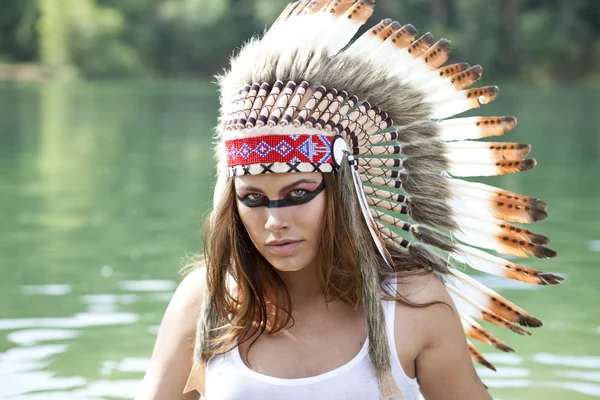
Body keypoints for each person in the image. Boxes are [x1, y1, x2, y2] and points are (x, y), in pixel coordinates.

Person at [137, 1, 561, 399]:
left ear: (343, 191)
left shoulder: (412, 304)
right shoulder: (206, 300)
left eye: (298, 194)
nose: (273, 221)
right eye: (253, 198)